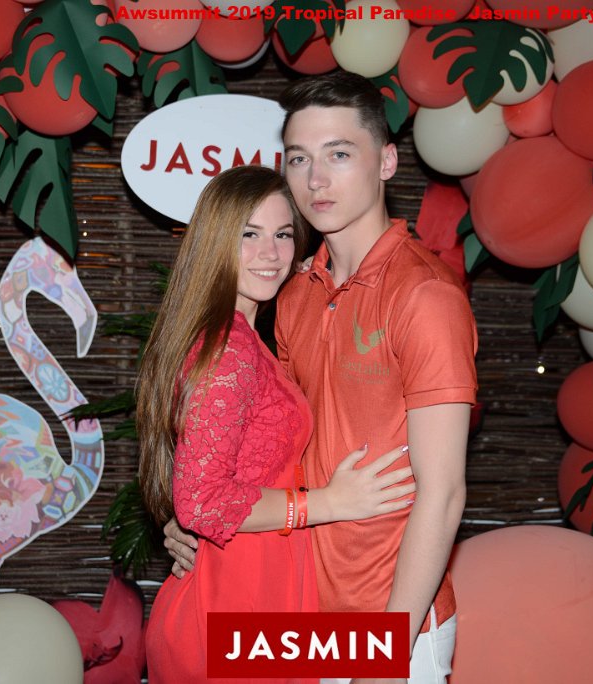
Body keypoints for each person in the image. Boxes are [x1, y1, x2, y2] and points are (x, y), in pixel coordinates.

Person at [165, 73, 479, 684]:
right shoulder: (295, 293)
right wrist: (195, 517)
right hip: (298, 610)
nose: (315, 180)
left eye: (339, 154)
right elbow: (262, 447)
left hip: (391, 619)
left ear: (386, 161)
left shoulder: (424, 296)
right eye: (298, 158)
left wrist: (386, 654)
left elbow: (443, 494)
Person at [138, 165, 416, 684]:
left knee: (393, 654)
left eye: (283, 234)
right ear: (215, 241)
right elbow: (201, 502)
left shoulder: (242, 339)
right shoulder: (228, 350)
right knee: (399, 655)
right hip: (233, 605)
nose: (270, 253)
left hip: (257, 593)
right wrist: (329, 503)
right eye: (249, 234)